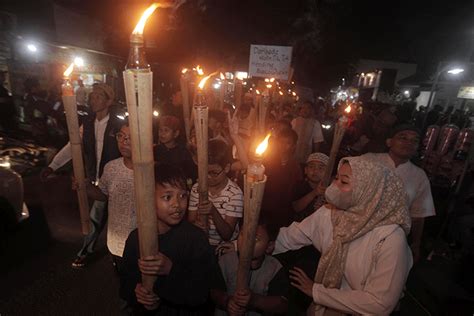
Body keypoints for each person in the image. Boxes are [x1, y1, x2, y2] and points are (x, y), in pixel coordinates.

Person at [275, 157, 412, 315]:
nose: (334, 186)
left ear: (368, 191)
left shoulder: (390, 237)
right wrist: (255, 242)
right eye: (336, 178)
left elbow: (379, 304)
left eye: (344, 182)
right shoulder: (329, 214)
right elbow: (289, 237)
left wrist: (317, 292)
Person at [40, 83, 122, 267]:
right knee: (95, 215)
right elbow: (72, 146)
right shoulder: (87, 123)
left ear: (109, 101)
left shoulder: (119, 124)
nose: (93, 100)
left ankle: (119, 253)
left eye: (98, 97)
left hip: (116, 180)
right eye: (92, 96)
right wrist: (53, 166)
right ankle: (87, 250)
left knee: (118, 218)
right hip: (96, 180)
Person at [120, 164, 215, 315]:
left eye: (183, 196)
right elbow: (125, 285)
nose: (177, 204)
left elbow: (201, 294)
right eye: (167, 197)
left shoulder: (196, 239)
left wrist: (171, 270)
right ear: (149, 198)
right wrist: (137, 292)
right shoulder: (135, 239)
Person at [363, 124, 436, 262]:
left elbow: (418, 215)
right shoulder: (369, 160)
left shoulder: (419, 176)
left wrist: (415, 243)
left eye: (414, 141)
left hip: (391, 239)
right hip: (359, 229)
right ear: (389, 142)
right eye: (403, 137)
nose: (409, 143)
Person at [79, 122, 136, 271]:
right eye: (121, 136)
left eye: (130, 138)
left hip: (142, 243)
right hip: (116, 241)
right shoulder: (111, 167)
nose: (124, 142)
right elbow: (103, 195)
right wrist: (86, 186)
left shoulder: (153, 170)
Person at [211, 222, 289, 316]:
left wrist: (255, 300)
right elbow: (213, 292)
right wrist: (227, 302)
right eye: (243, 234)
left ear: (269, 247)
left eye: (255, 238)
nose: (246, 242)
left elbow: (282, 304)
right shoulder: (225, 261)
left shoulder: (274, 268)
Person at [188, 139, 243, 247]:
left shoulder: (235, 194)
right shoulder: (197, 189)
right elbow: (190, 221)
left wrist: (213, 211)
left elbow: (227, 234)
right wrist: (196, 225)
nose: (208, 177)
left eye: (213, 173)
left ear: (226, 168)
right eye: (204, 172)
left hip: (223, 247)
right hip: (200, 242)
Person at [260, 127, 303, 232]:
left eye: (287, 143)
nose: (283, 146)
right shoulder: (267, 161)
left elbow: (295, 190)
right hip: (264, 206)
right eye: (281, 142)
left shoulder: (295, 166)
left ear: (293, 146)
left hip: (282, 210)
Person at [292, 152, 329, 222]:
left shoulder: (330, 189)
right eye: (311, 167)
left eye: (321, 168)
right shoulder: (300, 186)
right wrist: (314, 193)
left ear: (327, 172)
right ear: (305, 170)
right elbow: (296, 207)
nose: (315, 171)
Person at [154, 115, 194, 180]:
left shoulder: (182, 152)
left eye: (166, 130)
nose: (162, 133)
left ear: (176, 133)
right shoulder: (155, 151)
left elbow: (190, 173)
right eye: (160, 130)